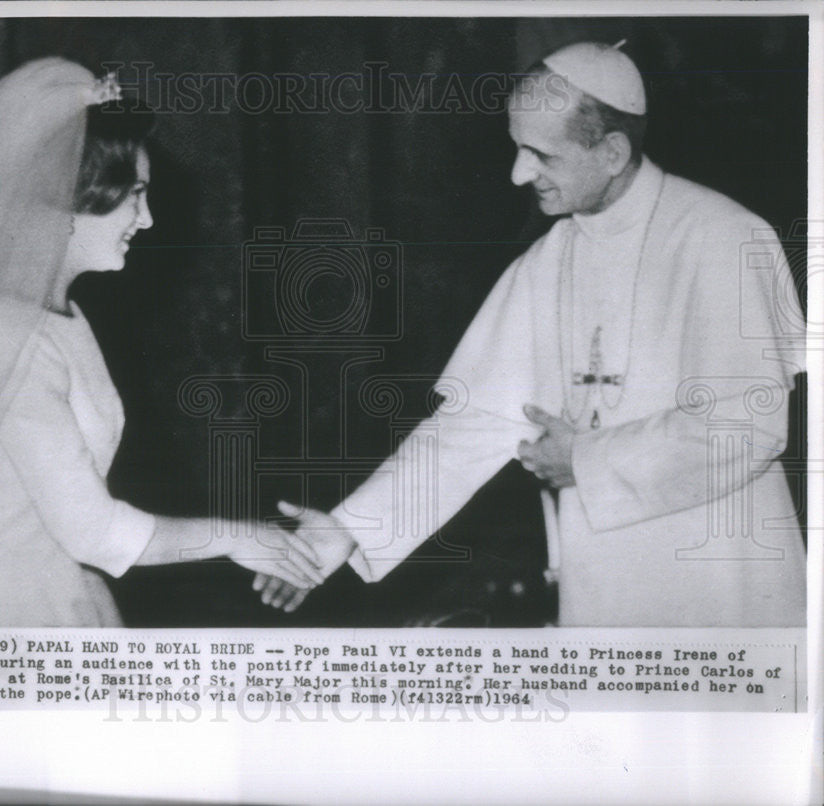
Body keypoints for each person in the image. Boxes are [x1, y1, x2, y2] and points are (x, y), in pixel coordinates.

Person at [259, 41, 807, 626]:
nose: (519, 173)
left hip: (723, 584)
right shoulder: (546, 263)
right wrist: (348, 528)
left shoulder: (723, 238)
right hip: (603, 587)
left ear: (613, 152)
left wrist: (587, 460)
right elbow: (472, 426)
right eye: (517, 148)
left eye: (541, 154)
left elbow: (748, 427)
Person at [0, 58, 320, 627]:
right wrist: (235, 537)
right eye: (134, 196)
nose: (145, 220)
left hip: (52, 594)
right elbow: (94, 533)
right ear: (71, 197)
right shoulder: (5, 333)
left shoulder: (57, 318)